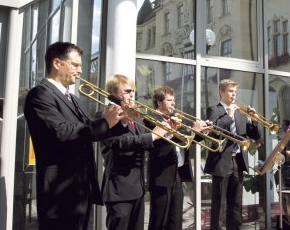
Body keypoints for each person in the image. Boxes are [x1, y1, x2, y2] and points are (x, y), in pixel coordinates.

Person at [23, 42, 124, 230]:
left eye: (80, 66)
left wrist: (120, 119)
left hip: (80, 190)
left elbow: (90, 132)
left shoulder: (74, 99)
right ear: (56, 63)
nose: (80, 70)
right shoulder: (40, 95)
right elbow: (63, 132)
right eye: (75, 65)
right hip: (59, 194)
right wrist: (105, 122)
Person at [100, 74, 170, 230]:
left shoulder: (136, 118)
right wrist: (152, 134)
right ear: (114, 93)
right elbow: (118, 143)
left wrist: (169, 132)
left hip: (137, 189)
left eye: (133, 91)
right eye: (127, 91)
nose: (132, 95)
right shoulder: (105, 115)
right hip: (119, 191)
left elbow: (147, 145)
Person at [146, 86, 209, 230]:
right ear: (159, 102)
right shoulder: (151, 118)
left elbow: (186, 141)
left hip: (177, 175)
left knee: (175, 221)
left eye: (174, 100)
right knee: (158, 222)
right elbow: (172, 139)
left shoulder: (173, 119)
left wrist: (201, 132)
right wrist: (192, 130)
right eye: (169, 100)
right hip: (161, 175)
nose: (174, 103)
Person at [204, 79, 262, 230]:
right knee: (219, 202)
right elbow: (212, 132)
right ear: (221, 92)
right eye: (230, 91)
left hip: (238, 161)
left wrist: (254, 121)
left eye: (235, 92)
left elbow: (254, 136)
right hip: (221, 161)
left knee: (236, 202)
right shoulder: (214, 110)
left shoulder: (240, 113)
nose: (233, 95)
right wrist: (228, 116)